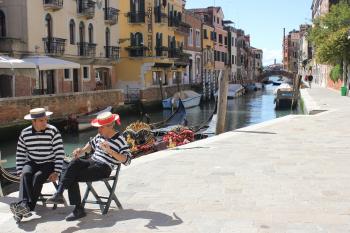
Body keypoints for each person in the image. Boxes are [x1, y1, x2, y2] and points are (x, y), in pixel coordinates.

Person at [46, 111, 131, 221]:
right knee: (73, 162)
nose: (98, 130)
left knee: (71, 174)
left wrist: (111, 152)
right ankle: (62, 196)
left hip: (103, 167)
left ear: (110, 126)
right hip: (92, 161)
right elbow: (90, 144)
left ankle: (74, 205)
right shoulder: (100, 135)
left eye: (101, 127)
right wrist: (81, 151)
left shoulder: (120, 140)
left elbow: (127, 161)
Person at [10, 108, 65, 219]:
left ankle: (26, 208)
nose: (45, 123)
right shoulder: (25, 133)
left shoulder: (53, 131)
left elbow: (59, 153)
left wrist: (57, 171)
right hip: (32, 161)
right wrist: (20, 171)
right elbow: (20, 153)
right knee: (25, 174)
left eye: (45, 120)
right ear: (33, 121)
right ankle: (24, 205)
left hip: (49, 162)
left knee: (38, 176)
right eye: (41, 120)